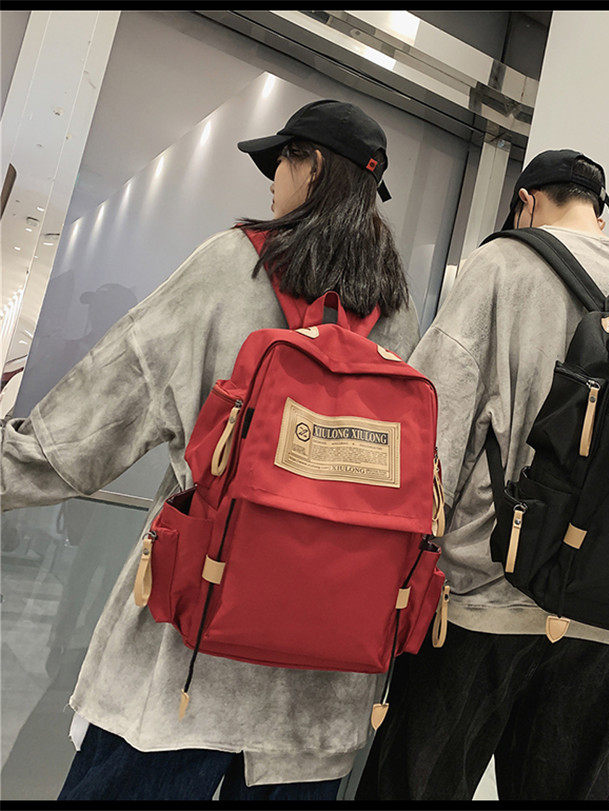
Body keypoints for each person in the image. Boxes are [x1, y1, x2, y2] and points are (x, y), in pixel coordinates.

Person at [0, 99, 419, 801]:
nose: (272, 183)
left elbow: (97, 418)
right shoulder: (395, 308)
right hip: (319, 701)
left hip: (188, 669)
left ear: (313, 166)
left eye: (280, 163)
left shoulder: (236, 265)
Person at [355, 150, 609, 801]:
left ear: (526, 202)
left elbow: (432, 425)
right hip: (606, 609)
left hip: (487, 594)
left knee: (414, 785)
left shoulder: (503, 263)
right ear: (599, 211)